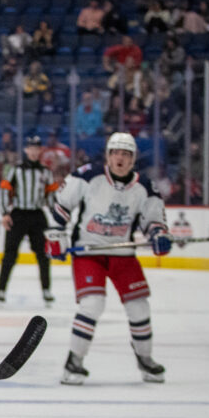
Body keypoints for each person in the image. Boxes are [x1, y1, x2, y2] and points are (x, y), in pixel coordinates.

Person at [45, 132, 171, 385]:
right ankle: (74, 361)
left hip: (123, 254)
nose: (120, 159)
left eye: (125, 154)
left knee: (139, 307)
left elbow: (154, 221)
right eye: (115, 153)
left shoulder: (145, 187)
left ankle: (145, 359)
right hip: (88, 253)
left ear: (133, 159)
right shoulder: (87, 176)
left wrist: (159, 235)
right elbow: (60, 206)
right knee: (92, 304)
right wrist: (56, 235)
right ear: (108, 156)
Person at [0, 136, 57, 304]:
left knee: (44, 255)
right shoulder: (15, 169)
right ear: (26, 150)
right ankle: (1, 290)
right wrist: (4, 213)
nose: (34, 151)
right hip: (18, 214)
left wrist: (57, 214)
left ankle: (46, 289)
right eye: (31, 148)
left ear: (40, 150)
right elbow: (3, 190)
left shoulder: (46, 171)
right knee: (10, 254)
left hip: (37, 215)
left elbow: (51, 195)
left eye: (37, 148)